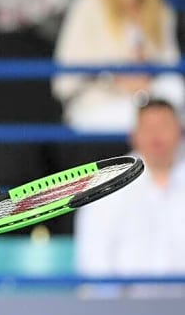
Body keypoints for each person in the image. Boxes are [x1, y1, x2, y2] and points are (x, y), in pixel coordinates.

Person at [52, 0, 184, 133]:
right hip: (98, 101)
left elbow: (171, 66)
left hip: (148, 99)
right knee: (152, 125)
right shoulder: (88, 3)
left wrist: (148, 73)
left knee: (174, 90)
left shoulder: (161, 11)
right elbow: (64, 77)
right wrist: (113, 77)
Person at [75, 99, 185, 276]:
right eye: (148, 128)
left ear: (179, 132)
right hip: (124, 293)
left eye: (164, 126)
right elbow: (93, 262)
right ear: (133, 135)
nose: (156, 135)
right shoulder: (105, 186)